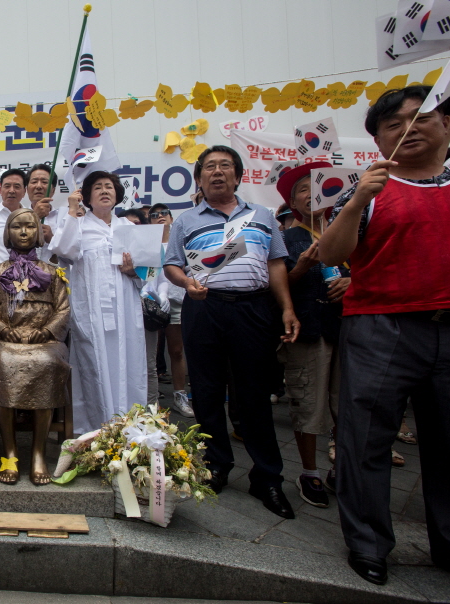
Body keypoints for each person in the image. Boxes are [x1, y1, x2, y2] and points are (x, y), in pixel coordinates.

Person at [319, 85, 450, 587]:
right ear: (379, 140)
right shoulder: (367, 190)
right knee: (365, 440)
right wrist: (360, 197)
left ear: (444, 126)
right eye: (395, 125)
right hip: (382, 328)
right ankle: (367, 543)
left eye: (422, 118)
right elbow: (328, 254)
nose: (410, 129)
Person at [164, 145, 300, 520]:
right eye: (210, 167)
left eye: (225, 166)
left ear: (239, 176)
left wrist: (286, 307)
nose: (218, 172)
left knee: (254, 392)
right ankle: (217, 464)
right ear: (199, 179)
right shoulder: (185, 221)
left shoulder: (262, 216)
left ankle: (268, 476)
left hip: (253, 310)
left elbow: (276, 263)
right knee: (206, 391)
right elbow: (172, 265)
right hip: (204, 308)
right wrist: (187, 282)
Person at [47, 171, 148, 433]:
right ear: (88, 197)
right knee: (93, 365)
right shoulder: (78, 224)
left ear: (117, 195)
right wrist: (71, 210)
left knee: (129, 361)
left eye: (110, 187)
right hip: (90, 310)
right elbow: (63, 250)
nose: (105, 191)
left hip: (125, 308)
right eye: (98, 187)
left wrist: (133, 271)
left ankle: (130, 428)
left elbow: (147, 272)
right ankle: (96, 431)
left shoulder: (128, 227)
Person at [274, 161, 349, 509]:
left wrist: (354, 281)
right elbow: (274, 288)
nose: (312, 193)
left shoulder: (346, 231)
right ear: (293, 202)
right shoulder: (288, 238)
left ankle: (343, 468)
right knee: (308, 402)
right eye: (303, 189)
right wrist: (301, 267)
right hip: (308, 331)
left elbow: (374, 268)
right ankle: (309, 471)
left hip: (348, 330)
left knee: (347, 404)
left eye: (318, 186)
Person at [0, 208, 70, 485]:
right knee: (2, 363)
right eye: (17, 226)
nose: (23, 232)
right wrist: (5, 331)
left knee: (48, 363)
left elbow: (63, 311)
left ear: (39, 232)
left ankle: (39, 452)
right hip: (5, 342)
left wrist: (45, 331)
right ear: (7, 232)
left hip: (45, 343)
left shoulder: (54, 273)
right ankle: (10, 452)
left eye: (30, 227)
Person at [147, 202, 192, 417]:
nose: (160, 217)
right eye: (154, 215)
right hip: (152, 303)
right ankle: (151, 399)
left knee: (176, 351)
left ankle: (180, 395)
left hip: (178, 300)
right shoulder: (147, 243)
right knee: (151, 354)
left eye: (164, 213)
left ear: (171, 218)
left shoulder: (181, 241)